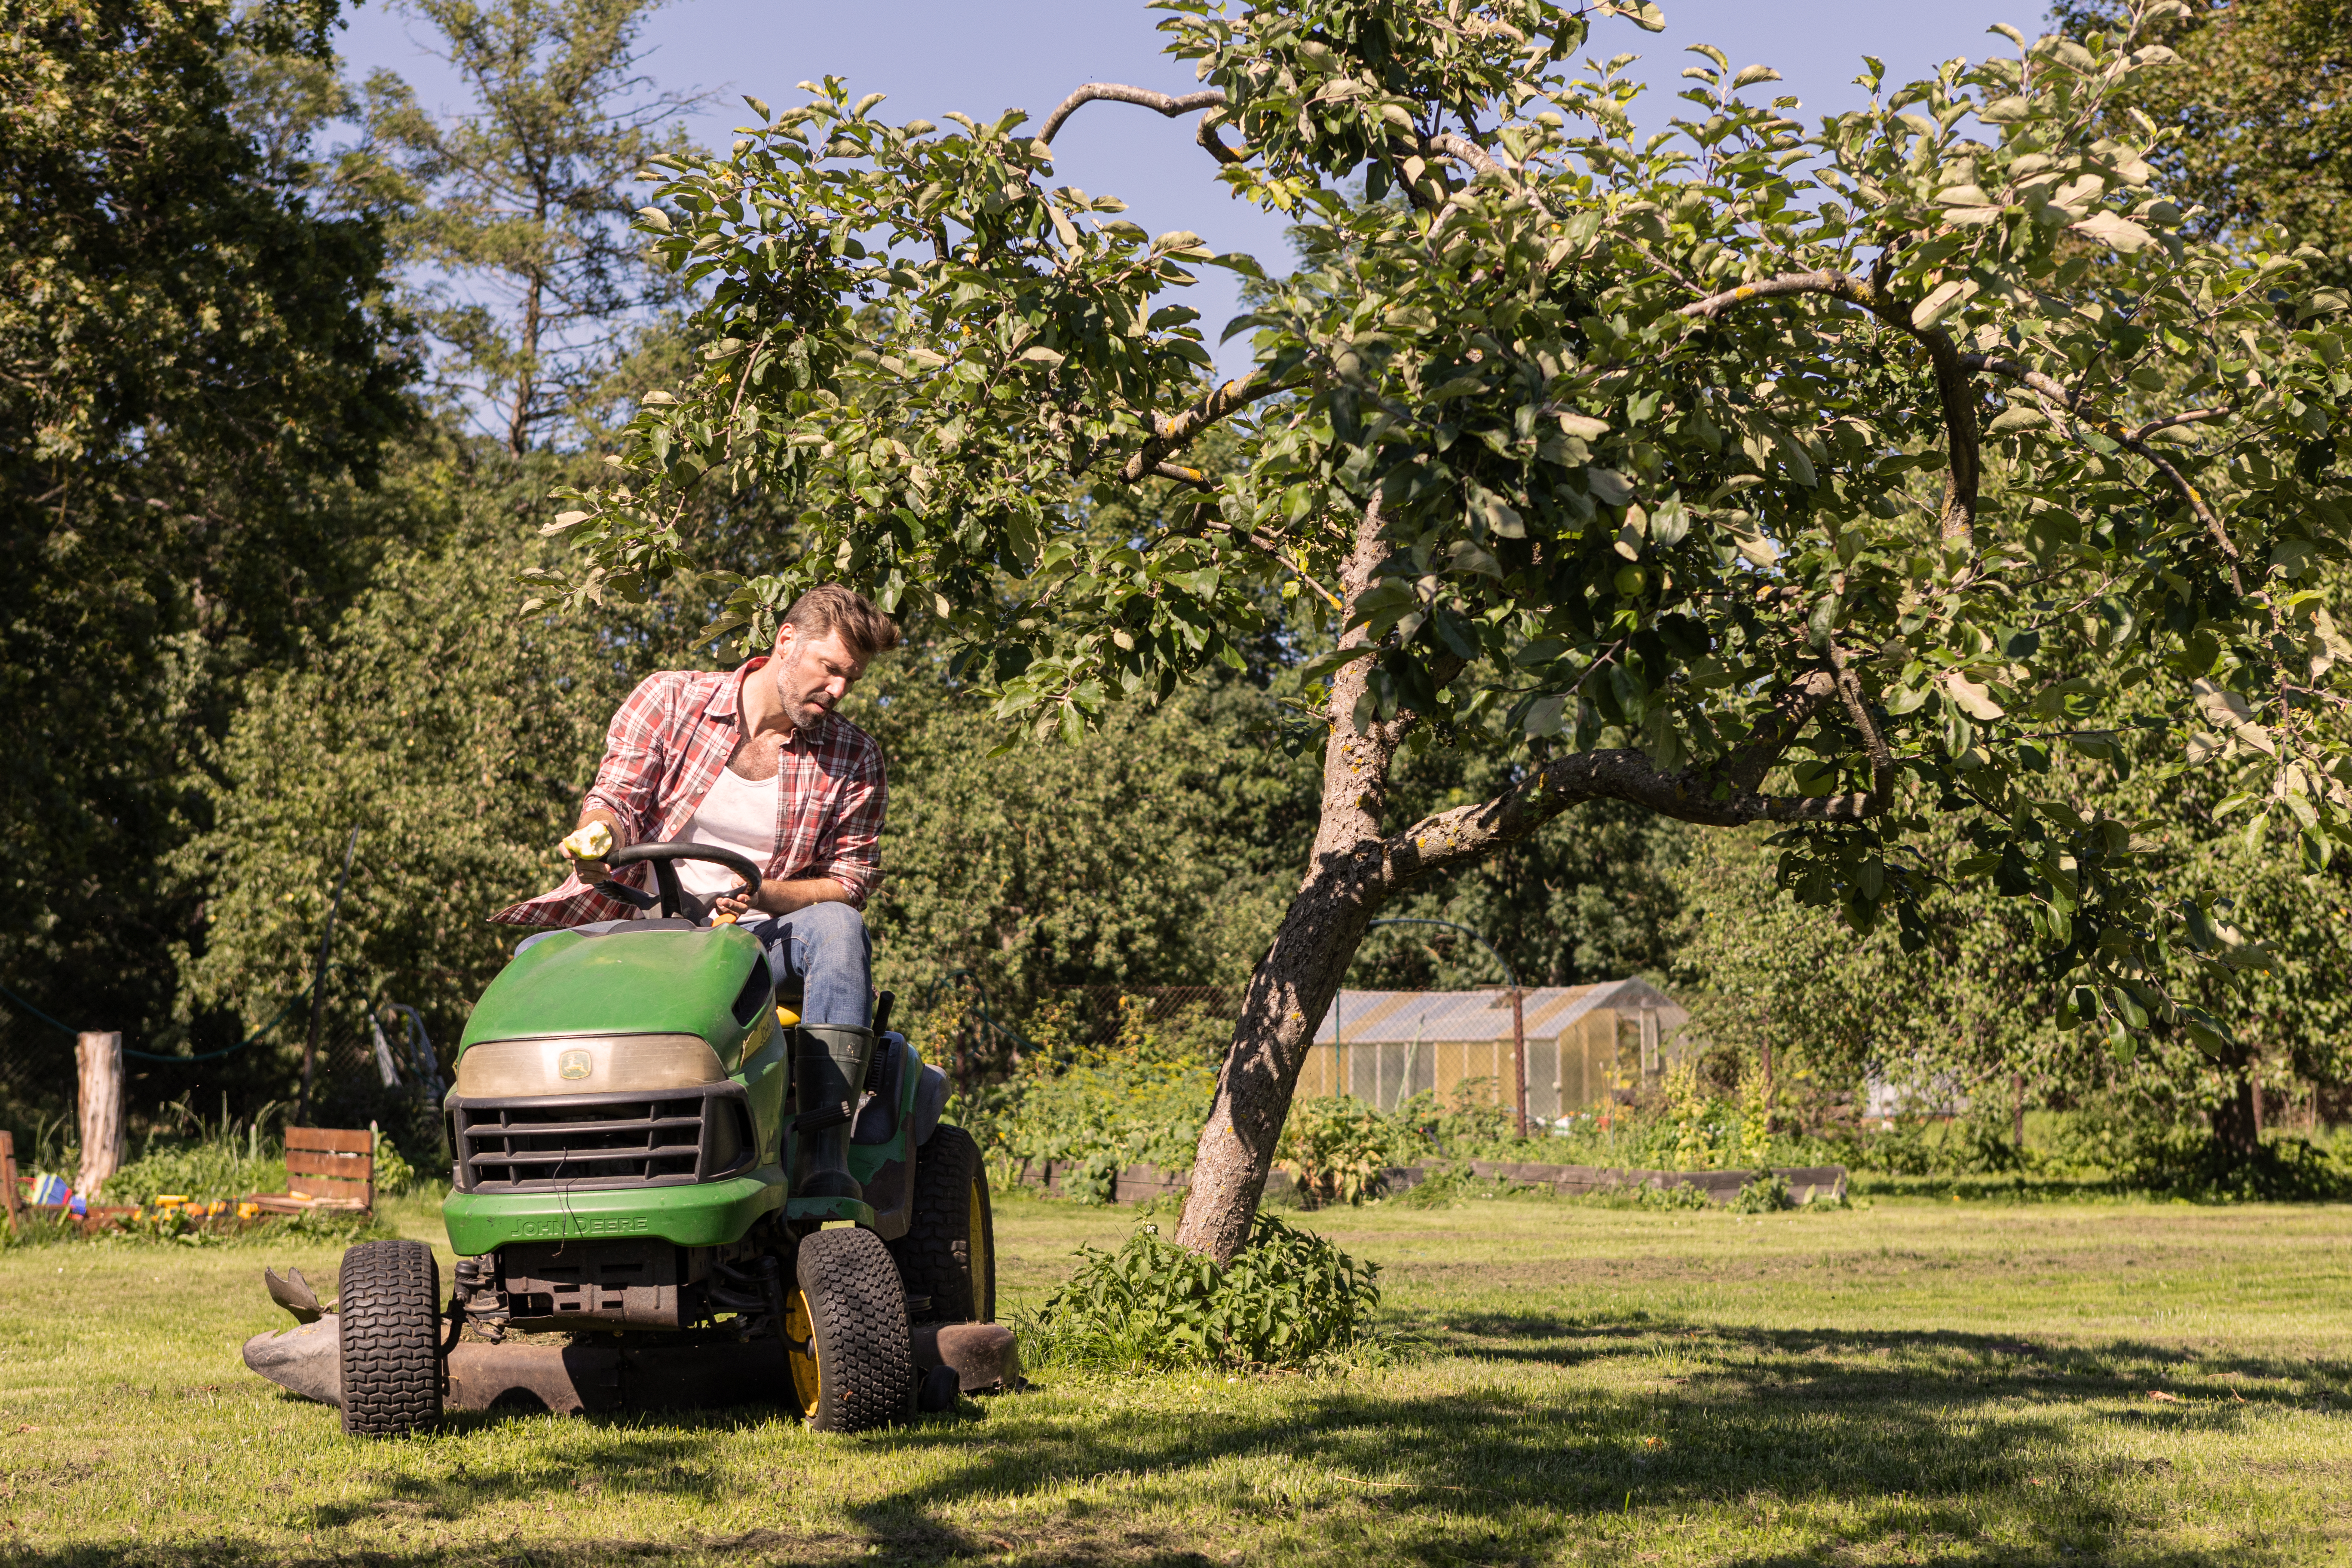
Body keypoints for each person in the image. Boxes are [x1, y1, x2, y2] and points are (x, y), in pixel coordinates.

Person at [490, 583, 900, 1200]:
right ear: (786, 641)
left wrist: (763, 895)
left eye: (851, 679)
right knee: (531, 970)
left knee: (840, 929)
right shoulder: (671, 699)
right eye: (830, 669)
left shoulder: (855, 757)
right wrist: (597, 837)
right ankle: (532, 1168)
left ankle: (823, 1152)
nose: (839, 690)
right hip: (639, 931)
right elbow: (615, 800)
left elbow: (849, 883)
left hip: (755, 941)